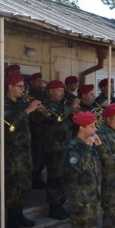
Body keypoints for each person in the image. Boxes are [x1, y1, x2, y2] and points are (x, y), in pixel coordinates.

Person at [66, 112, 103, 228]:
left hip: (92, 195)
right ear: (81, 128)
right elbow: (77, 168)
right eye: (92, 126)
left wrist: (98, 147)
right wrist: (88, 148)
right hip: (80, 198)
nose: (95, 129)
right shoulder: (73, 146)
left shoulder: (91, 144)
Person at [2, 73, 40, 228]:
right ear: (10, 87)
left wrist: (35, 109)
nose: (23, 90)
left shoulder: (20, 103)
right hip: (12, 152)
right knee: (13, 184)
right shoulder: (3, 104)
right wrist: (27, 111)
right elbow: (8, 123)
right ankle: (12, 216)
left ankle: (19, 212)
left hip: (25, 150)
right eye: (20, 86)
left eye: (23, 86)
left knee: (24, 183)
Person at [38, 80, 79, 220]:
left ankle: (60, 202)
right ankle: (54, 205)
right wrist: (71, 108)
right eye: (59, 91)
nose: (62, 94)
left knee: (63, 176)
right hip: (53, 147)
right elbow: (58, 118)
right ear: (50, 92)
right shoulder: (47, 105)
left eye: (63, 91)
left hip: (64, 147)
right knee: (55, 177)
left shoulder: (62, 105)